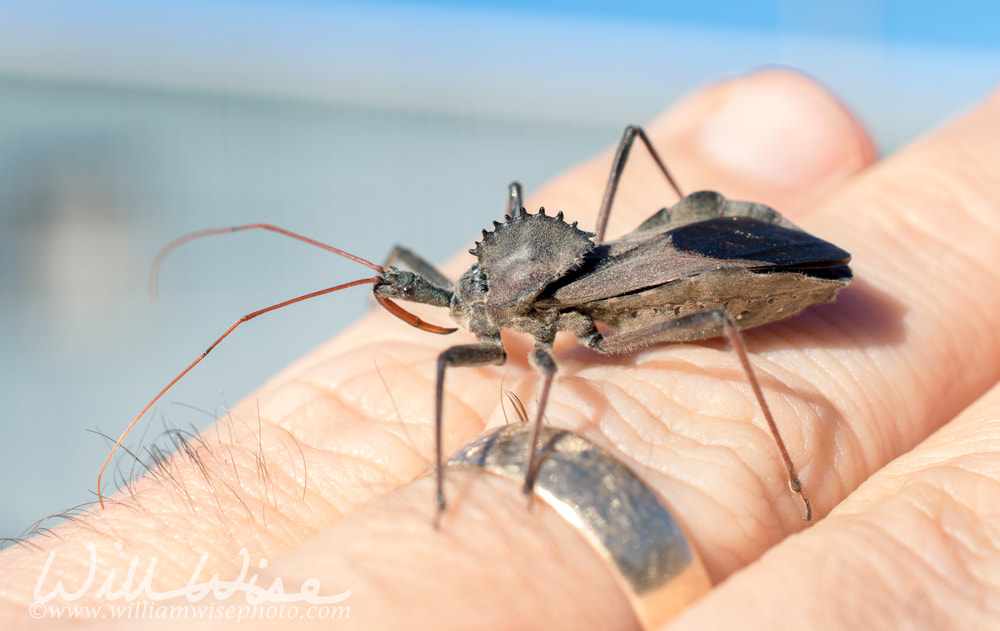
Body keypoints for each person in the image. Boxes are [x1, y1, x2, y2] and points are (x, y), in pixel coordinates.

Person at [3, 69, 998, 629]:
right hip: (596, 273)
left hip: (678, 285)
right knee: (443, 322)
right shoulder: (486, 296)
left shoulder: (547, 333)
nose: (455, 303)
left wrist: (494, 488)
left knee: (513, 349)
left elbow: (533, 346)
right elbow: (413, 279)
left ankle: (787, 467)